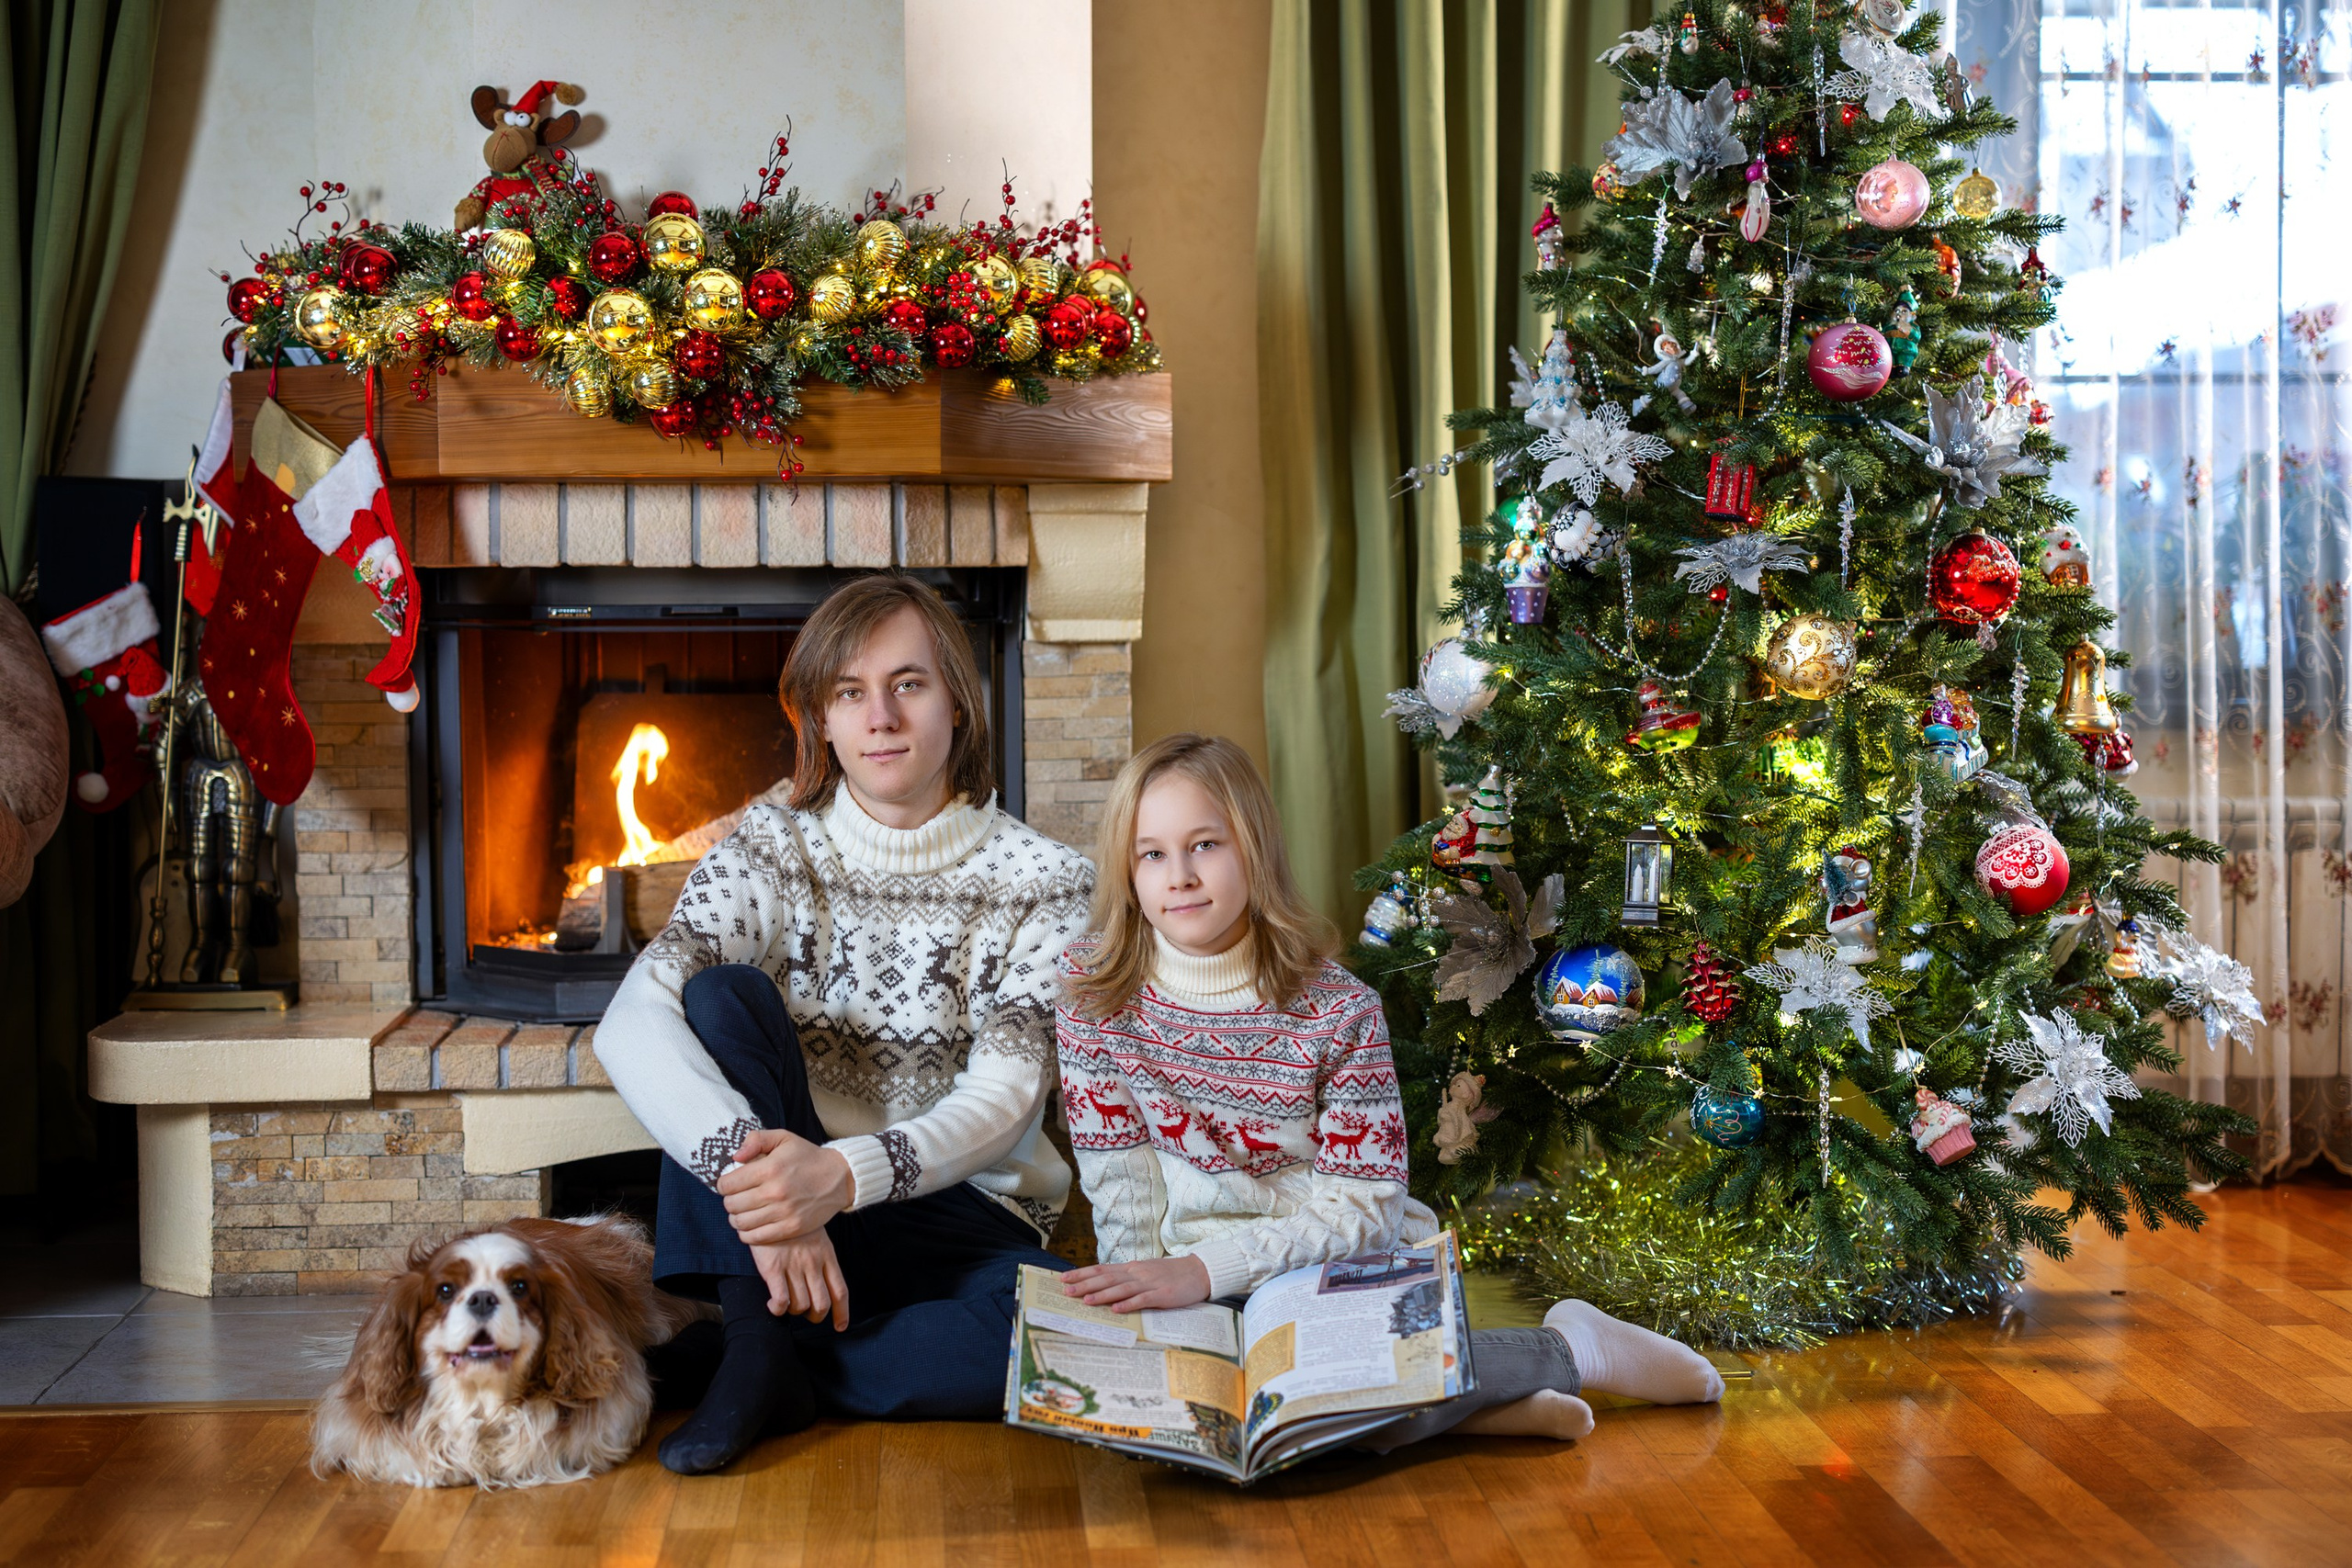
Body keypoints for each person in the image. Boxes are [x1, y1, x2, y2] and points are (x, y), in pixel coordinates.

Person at [1055, 734, 1724, 1448]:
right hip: (1190, 1284)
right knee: (1195, 1419)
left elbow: (1364, 1209)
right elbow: (1120, 1178)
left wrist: (1203, 1268)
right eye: (1152, 854)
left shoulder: (1339, 1010)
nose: (1181, 876)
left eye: (1205, 845)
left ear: (1254, 847)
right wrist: (1134, 1297)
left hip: (1330, 1261)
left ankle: (1572, 1348)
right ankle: (1478, 1409)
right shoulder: (1095, 994)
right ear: (1126, 870)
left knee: (1313, 1399)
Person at [596, 575, 1093, 1474]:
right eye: (851, 691)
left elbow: (1007, 1098)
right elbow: (629, 1021)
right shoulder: (770, 846)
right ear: (821, 719)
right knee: (718, 999)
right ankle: (762, 1342)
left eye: (909, 684)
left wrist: (839, 1176)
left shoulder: (1047, 879)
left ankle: (767, 1354)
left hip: (962, 1212)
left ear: (956, 702)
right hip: (794, 1185)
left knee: (1080, 1335)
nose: (882, 717)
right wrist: (774, 1198)